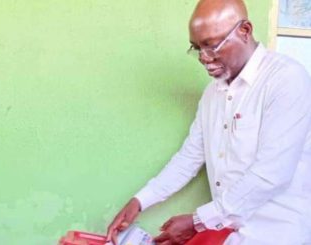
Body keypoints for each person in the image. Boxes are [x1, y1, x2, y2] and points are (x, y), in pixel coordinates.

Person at [107, 0, 311, 244]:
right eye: (196, 48)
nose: (204, 58)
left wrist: (197, 221)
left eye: (212, 46)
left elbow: (271, 174)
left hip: (277, 235)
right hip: (228, 235)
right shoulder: (213, 95)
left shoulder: (286, 79)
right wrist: (140, 201)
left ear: (244, 30)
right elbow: (189, 157)